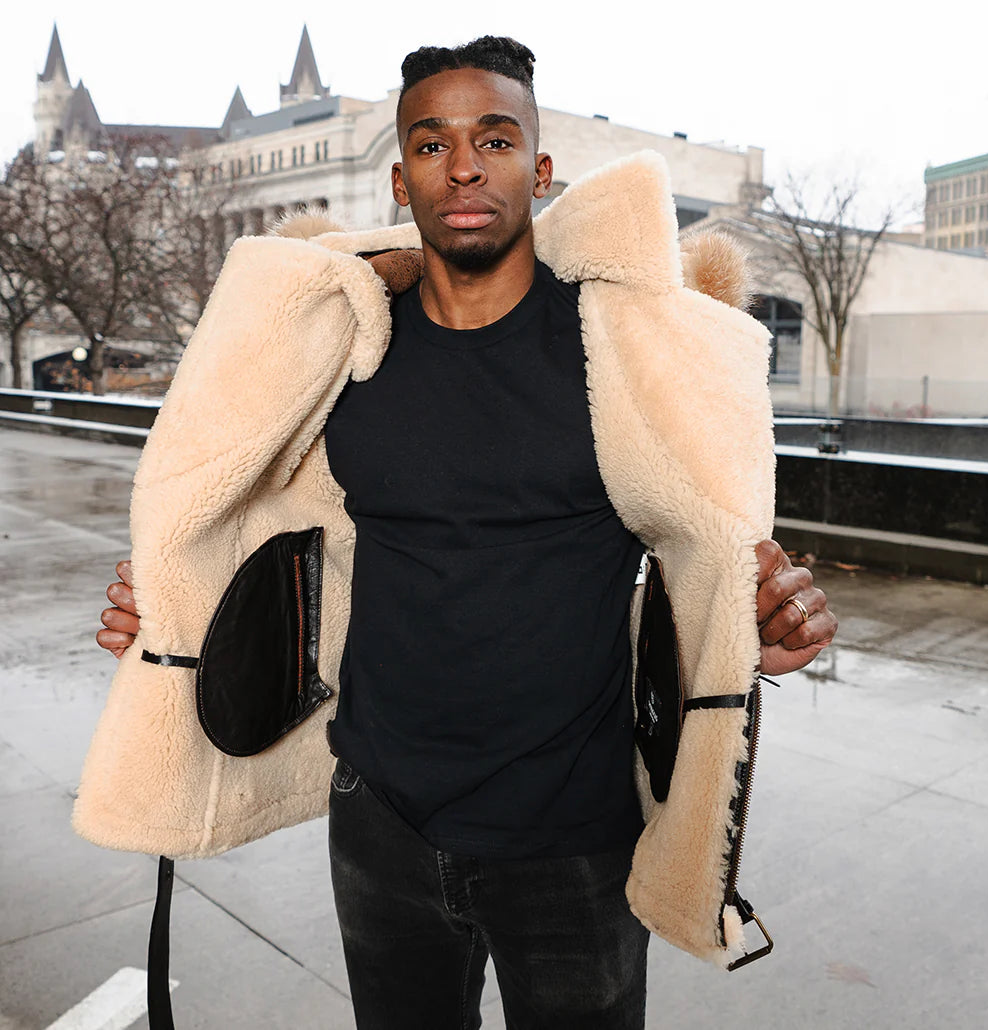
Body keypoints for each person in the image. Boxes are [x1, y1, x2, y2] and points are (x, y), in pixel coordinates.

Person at [92, 36, 837, 1030]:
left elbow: (704, 549)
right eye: (433, 143)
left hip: (573, 839)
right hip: (380, 823)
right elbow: (269, 519)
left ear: (538, 168)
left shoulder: (616, 350)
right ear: (402, 176)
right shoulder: (350, 349)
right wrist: (179, 608)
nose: (465, 166)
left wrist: (758, 634)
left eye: (493, 138)